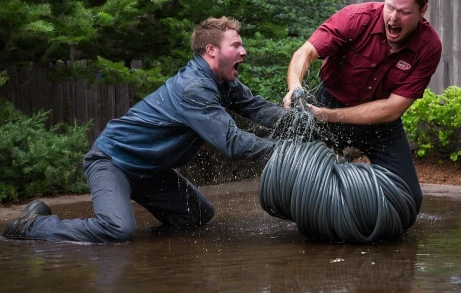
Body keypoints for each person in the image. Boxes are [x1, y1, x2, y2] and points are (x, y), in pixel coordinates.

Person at [4, 16, 288, 243]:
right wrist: (292, 151)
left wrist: (305, 121)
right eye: (236, 45)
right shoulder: (194, 88)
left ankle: (150, 243)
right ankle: (33, 225)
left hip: (149, 170)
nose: (244, 51)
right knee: (116, 230)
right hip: (113, 162)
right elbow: (233, 143)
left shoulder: (223, 83)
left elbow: (258, 109)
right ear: (211, 50)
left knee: (196, 216)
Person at [283, 0, 442, 212]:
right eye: (390, 7)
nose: (393, 17)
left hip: (380, 124)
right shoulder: (356, 18)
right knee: (294, 186)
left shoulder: (428, 47)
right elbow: (305, 52)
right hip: (328, 103)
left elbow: (392, 109)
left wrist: (328, 115)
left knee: (409, 200)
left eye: (404, 12)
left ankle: (361, 216)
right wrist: (295, 85)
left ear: (423, 11)